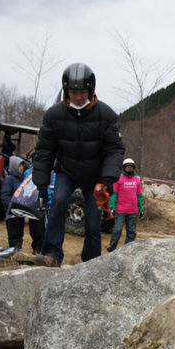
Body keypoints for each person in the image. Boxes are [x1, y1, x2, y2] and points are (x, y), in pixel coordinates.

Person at [32, 63, 124, 266]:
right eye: (73, 92)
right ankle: (52, 254)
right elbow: (44, 151)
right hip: (67, 170)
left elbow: (115, 150)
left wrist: (108, 178)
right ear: (66, 91)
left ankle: (90, 262)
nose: (78, 97)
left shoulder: (106, 115)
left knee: (93, 220)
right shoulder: (53, 115)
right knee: (57, 203)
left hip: (95, 175)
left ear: (90, 91)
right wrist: (41, 183)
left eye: (82, 92)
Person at [1, 156, 44, 253]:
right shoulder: (9, 180)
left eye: (22, 166)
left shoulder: (23, 179)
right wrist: (12, 207)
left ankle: (20, 250)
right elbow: (5, 196)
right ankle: (14, 251)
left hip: (20, 212)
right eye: (19, 166)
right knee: (14, 233)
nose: (21, 168)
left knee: (20, 233)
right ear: (14, 166)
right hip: (12, 212)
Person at [107, 158, 144, 252]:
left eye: (131, 167)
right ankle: (111, 248)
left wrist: (141, 208)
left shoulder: (137, 180)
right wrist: (112, 207)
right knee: (117, 230)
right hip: (121, 211)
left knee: (132, 233)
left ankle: (127, 250)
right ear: (124, 168)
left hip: (133, 211)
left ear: (133, 168)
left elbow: (139, 196)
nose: (129, 169)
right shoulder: (118, 178)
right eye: (127, 167)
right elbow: (114, 195)